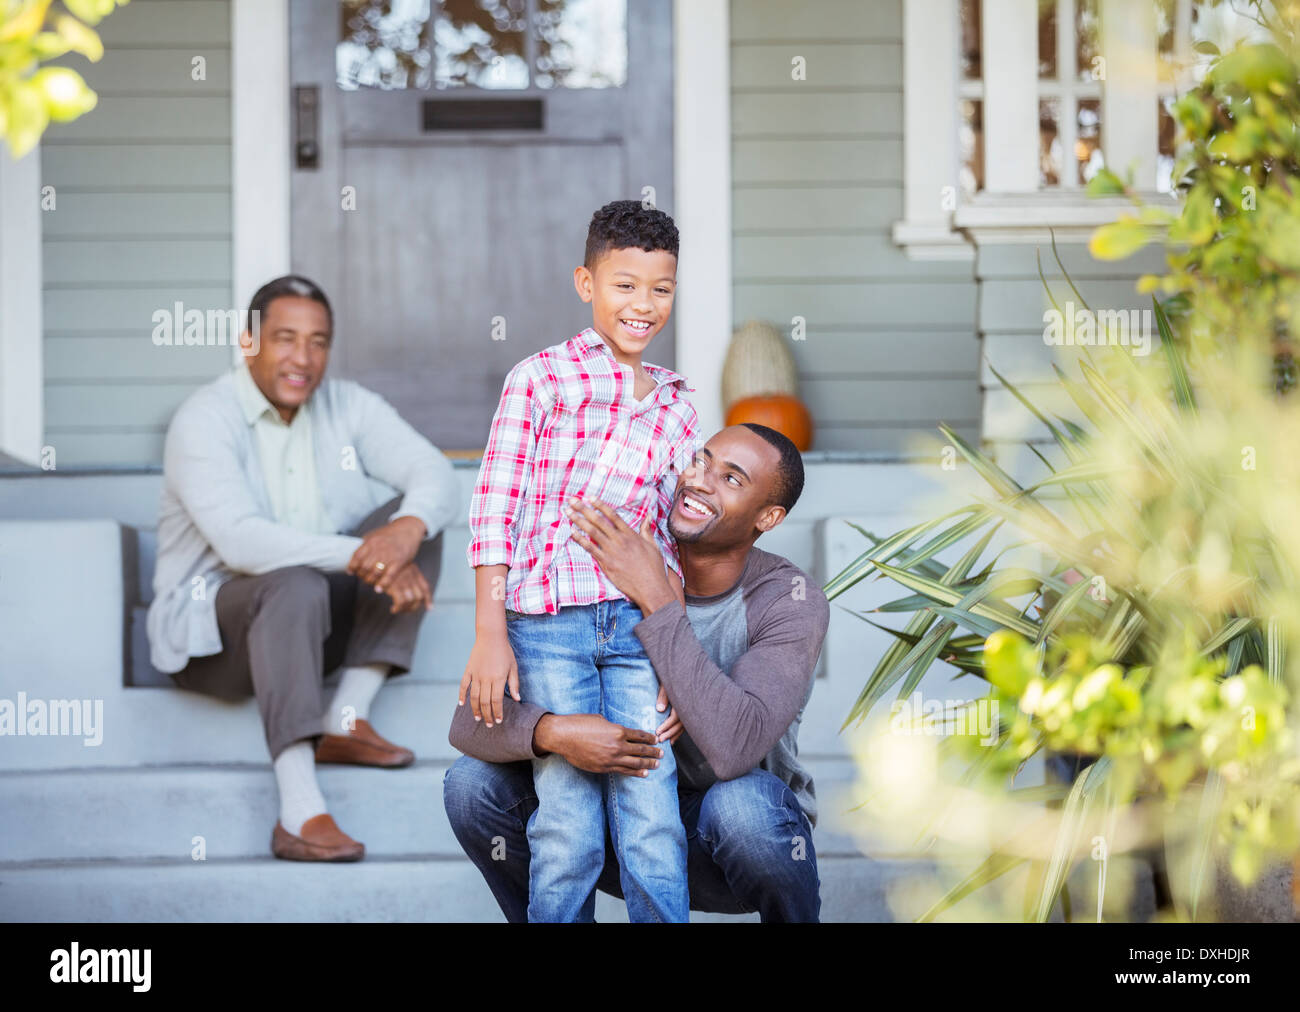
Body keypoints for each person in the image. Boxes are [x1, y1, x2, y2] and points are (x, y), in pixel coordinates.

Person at [446, 424, 829, 922]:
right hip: (601, 819)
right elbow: (471, 724)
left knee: (745, 808)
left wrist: (655, 594)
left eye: (732, 479)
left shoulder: (787, 599)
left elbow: (736, 749)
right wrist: (555, 732)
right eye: (701, 461)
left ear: (768, 517)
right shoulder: (592, 567)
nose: (700, 481)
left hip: (715, 841)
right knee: (472, 786)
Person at [147, 275, 458, 862]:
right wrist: (370, 555)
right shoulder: (205, 419)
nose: (302, 358)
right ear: (248, 342)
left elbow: (434, 472)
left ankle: (347, 719)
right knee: (294, 583)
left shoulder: (347, 405)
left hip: (313, 625)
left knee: (415, 520)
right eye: (285, 338)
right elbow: (242, 545)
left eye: (318, 341)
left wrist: (404, 532)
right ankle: (298, 811)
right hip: (214, 640)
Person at [461, 200, 700, 922]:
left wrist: (677, 650)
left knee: (652, 817)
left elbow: (674, 537)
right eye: (624, 284)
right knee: (567, 827)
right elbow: (494, 510)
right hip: (548, 627)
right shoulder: (539, 380)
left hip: (636, 634)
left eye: (660, 288)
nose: (643, 304)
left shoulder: (679, 406)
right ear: (585, 283)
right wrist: (489, 630)